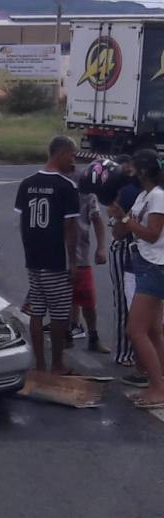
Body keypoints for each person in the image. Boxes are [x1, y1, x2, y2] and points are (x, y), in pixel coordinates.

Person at [15, 136, 80, 374]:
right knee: (60, 313)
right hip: (56, 259)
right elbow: (70, 228)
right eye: (72, 155)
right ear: (61, 153)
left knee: (37, 311)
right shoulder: (67, 187)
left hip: (34, 257)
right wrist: (72, 261)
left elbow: (23, 222)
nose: (73, 160)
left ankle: (40, 364)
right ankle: (57, 364)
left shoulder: (27, 183)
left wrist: (28, 248)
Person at [108, 150, 164, 408]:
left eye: (132, 167)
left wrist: (127, 219)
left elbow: (152, 234)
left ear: (142, 170)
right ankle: (159, 382)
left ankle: (157, 388)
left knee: (136, 330)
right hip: (145, 264)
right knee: (152, 330)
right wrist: (119, 217)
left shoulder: (158, 197)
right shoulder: (144, 196)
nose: (128, 171)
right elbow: (122, 231)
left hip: (155, 267)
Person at [106, 156, 145, 383]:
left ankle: (133, 352)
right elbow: (117, 230)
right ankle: (123, 352)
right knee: (123, 301)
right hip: (124, 248)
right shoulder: (129, 192)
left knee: (135, 306)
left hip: (134, 249)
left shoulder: (141, 193)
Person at [68, 188, 110, 353]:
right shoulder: (54, 188)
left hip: (80, 255)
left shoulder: (87, 193)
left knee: (87, 298)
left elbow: (98, 221)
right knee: (65, 296)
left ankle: (93, 337)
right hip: (58, 254)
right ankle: (71, 329)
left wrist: (100, 247)